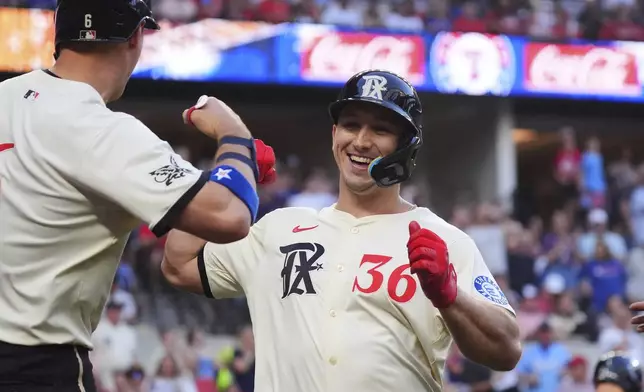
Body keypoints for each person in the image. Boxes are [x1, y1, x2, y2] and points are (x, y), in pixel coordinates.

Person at [161, 69, 522, 392]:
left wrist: (450, 294)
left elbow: (506, 350)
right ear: (335, 133)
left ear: (406, 147)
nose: (361, 141)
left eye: (381, 129)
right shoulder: (280, 229)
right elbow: (178, 263)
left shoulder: (441, 240)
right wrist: (232, 173)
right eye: (351, 125)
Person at [0, 0, 275, 390]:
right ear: (135, 37)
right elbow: (229, 215)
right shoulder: (101, 129)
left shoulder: (5, 96)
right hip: (33, 363)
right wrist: (233, 136)